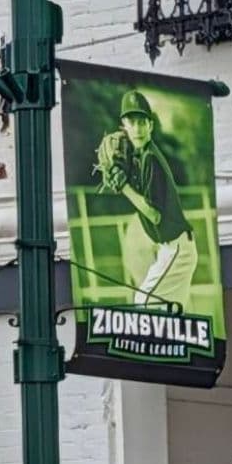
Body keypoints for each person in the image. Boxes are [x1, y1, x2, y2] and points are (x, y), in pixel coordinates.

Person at [95, 88, 196, 311]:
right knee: (171, 312)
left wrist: (124, 187)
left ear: (151, 126)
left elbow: (154, 214)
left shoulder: (150, 158)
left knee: (144, 303)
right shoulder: (140, 157)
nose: (138, 128)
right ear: (124, 126)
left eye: (143, 122)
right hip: (171, 248)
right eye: (132, 122)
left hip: (177, 248)